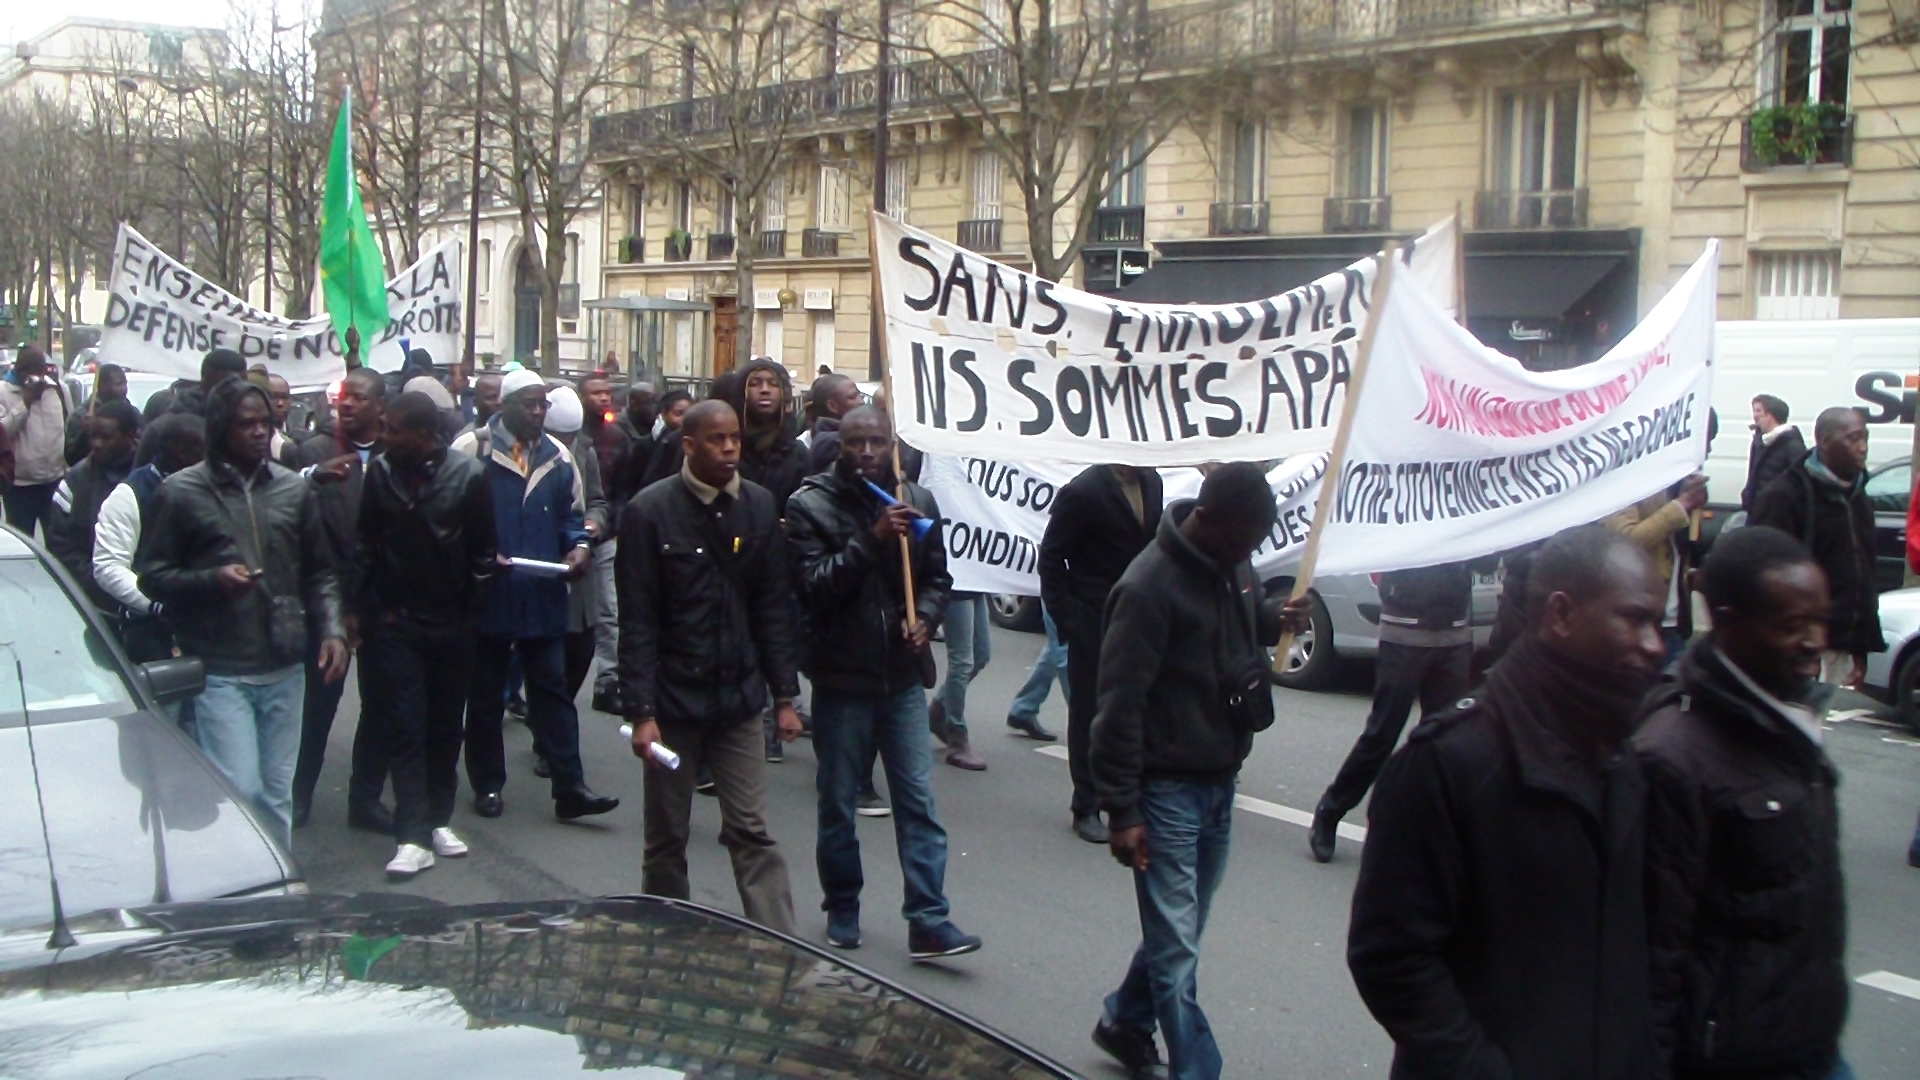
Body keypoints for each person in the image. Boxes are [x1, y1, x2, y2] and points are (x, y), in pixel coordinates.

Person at [1348, 526, 1664, 1080]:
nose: (1654, 645)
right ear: (1561, 615)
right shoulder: (1449, 764)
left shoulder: (1625, 757)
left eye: (1656, 624)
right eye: (1633, 619)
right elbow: (1392, 959)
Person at [1086, 463, 1287, 1080]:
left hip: (1219, 779)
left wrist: (1279, 623)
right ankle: (1198, 1068)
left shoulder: (1233, 563)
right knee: (1177, 947)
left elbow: (1238, 637)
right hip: (1167, 787)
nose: (1250, 554)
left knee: (1183, 928)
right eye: (1244, 541)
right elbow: (1117, 706)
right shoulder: (1148, 588)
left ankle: (1125, 1020)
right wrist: (1123, 810)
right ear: (1208, 518)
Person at [1634, 525, 1850, 1080]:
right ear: (1729, 623)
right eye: (1790, 627)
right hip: (1732, 1060)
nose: (1813, 643)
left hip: (1810, 1041)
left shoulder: (1792, 723)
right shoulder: (1672, 758)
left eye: (1818, 622)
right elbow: (1654, 957)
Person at [785, 405, 982, 960]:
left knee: (917, 799)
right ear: (839, 446)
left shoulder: (917, 501)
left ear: (892, 446)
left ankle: (929, 917)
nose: (867, 453)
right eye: (856, 443)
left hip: (899, 677)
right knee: (839, 799)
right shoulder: (810, 505)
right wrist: (869, 541)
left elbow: (939, 577)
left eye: (877, 442)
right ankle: (842, 905)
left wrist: (926, 619)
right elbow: (814, 587)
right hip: (843, 676)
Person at [137, 379, 349, 841]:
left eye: (264, 422)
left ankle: (278, 888)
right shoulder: (181, 493)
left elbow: (321, 572)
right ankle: (244, 884)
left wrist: (332, 629)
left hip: (286, 665)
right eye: (246, 423)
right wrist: (211, 580)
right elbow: (152, 575)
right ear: (219, 429)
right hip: (221, 669)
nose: (259, 431)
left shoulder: (294, 491)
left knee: (277, 790)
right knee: (242, 787)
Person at [621, 399, 803, 933]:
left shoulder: (760, 506)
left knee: (750, 829)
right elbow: (637, 620)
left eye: (735, 440)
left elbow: (772, 607)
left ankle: (779, 945)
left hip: (739, 702)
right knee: (667, 833)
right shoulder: (649, 512)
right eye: (717, 440)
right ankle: (666, 933)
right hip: (673, 704)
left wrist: (785, 697)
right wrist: (642, 712)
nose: (729, 449)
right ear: (689, 445)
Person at [452, 370, 618, 822]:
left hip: (543, 593)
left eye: (542, 403)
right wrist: (479, 557)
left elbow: (573, 514)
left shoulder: (559, 457)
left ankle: (570, 788)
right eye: (529, 403)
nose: (539, 411)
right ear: (503, 405)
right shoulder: (472, 452)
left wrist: (579, 547)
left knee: (553, 694)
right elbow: (448, 517)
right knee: (485, 697)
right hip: (491, 594)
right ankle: (487, 785)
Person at [357, 391, 500, 880]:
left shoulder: (469, 477)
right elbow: (366, 545)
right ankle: (412, 834)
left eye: (394, 429)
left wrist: (469, 615)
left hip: (452, 624)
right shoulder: (379, 474)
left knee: (445, 724)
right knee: (405, 723)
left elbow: (485, 554)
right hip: (397, 622)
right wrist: (366, 612)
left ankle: (438, 818)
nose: (385, 436)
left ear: (422, 435)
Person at [1308, 560, 1485, 864]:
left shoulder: (1461, 513)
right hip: (1404, 631)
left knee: (1446, 741)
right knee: (1382, 734)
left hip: (1454, 634)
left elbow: (1485, 558)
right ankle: (1331, 810)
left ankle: (1427, 832)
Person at [1039, 462, 1164, 844]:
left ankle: (1130, 797)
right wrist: (1069, 617)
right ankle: (1087, 806)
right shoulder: (1083, 491)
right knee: (1090, 712)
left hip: (1141, 616)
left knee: (1141, 707)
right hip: (1094, 617)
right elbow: (1051, 558)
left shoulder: (1152, 482)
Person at [290, 367, 389, 832]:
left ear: (381, 407)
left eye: (359, 397)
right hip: (327, 603)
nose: (347, 404)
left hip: (383, 605)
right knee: (317, 707)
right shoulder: (312, 452)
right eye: (344, 396)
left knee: (381, 707)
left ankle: (365, 800)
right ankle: (297, 795)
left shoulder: (398, 454)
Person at [1750, 406, 1881, 690]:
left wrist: (1861, 646)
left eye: (1865, 438)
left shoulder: (1860, 498)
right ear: (1824, 441)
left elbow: (1865, 573)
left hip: (1840, 645)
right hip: (1799, 646)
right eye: (1853, 439)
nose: (1863, 448)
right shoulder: (1787, 495)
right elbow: (1764, 574)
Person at [94, 414, 204, 664]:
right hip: (152, 633)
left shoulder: (213, 488)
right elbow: (108, 567)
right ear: (177, 452)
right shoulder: (129, 495)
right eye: (200, 451)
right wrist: (157, 604)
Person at [543, 384, 611, 714]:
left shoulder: (586, 452)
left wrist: (595, 522)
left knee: (581, 650)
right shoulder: (529, 452)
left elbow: (597, 500)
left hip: (580, 565)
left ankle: (555, 713)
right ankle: (548, 729)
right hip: (544, 563)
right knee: (547, 660)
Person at [584, 373, 646, 715]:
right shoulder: (569, 439)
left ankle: (608, 680)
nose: (603, 399)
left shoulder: (618, 439)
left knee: (610, 610)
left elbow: (625, 487)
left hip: (606, 535)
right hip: (565, 536)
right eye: (595, 393)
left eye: (607, 393)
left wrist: (613, 524)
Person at [1602, 474, 1709, 663]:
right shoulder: (1627, 478)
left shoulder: (1679, 480)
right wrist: (1681, 505)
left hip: (1674, 624)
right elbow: (1627, 541)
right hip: (1639, 626)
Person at [46, 399, 140, 605]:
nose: (97, 444)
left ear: (131, 436)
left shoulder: (150, 478)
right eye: (93, 436)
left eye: (106, 437)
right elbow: (61, 545)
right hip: (93, 599)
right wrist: (98, 586)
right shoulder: (76, 481)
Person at [0, 344, 75, 535]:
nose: (36, 375)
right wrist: (25, 402)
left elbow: (69, 426)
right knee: (24, 543)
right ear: (18, 369)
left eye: (39, 368)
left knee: (57, 541)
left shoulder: (58, 390)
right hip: (20, 487)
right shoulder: (3, 393)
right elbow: (4, 435)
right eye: (30, 369)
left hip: (54, 480)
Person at [928, 591, 992, 769]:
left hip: (975, 584)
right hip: (957, 587)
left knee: (981, 653)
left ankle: (939, 709)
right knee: (962, 661)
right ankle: (956, 737)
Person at [1004, 604, 1065, 742]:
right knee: (1065, 648)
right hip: (1064, 591)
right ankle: (1084, 721)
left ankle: (1024, 708)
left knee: (1056, 649)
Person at [1744, 394, 1806, 512]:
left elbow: (1799, 483)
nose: (1754, 416)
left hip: (1778, 513)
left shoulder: (1793, 445)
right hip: (1757, 509)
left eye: (1758, 411)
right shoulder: (1759, 441)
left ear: (1771, 414)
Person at [65, 362, 129, 465]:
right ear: (101, 386)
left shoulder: (131, 412)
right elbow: (71, 458)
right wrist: (84, 434)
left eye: (125, 383)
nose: (124, 389)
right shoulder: (82, 415)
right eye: (118, 384)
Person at [802, 371, 864, 473]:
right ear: (832, 406)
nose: (861, 401)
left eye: (860, 395)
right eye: (852, 397)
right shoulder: (829, 443)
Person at [462, 371, 504, 436]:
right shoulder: (467, 438)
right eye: (490, 397)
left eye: (502, 397)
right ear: (475, 402)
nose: (499, 402)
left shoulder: (512, 434)